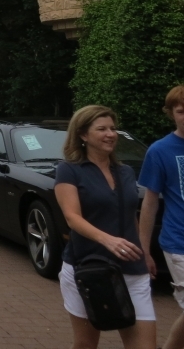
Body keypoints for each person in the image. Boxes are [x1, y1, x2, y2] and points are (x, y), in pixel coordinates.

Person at [54, 105, 156, 349]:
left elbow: (130, 215)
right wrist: (108, 240)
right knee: (86, 344)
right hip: (89, 268)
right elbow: (72, 217)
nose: (111, 134)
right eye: (102, 129)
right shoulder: (69, 171)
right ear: (83, 135)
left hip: (132, 269)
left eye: (113, 128)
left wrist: (145, 251)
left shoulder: (126, 172)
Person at [140, 86, 184, 349]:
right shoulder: (160, 150)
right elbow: (150, 203)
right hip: (178, 242)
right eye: (181, 111)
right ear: (171, 114)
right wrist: (144, 250)